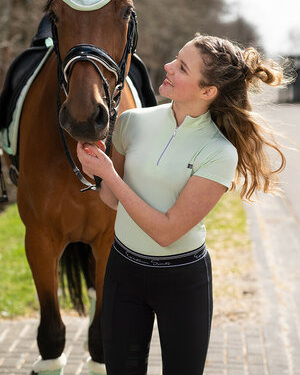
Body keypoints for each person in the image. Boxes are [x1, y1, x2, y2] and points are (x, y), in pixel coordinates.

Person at [76, 33, 290, 375]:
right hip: (122, 273)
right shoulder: (132, 122)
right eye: (175, 59)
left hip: (182, 281)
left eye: (182, 67)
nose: (168, 67)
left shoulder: (220, 152)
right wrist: (95, 167)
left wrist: (111, 176)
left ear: (208, 92)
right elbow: (110, 199)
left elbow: (167, 231)